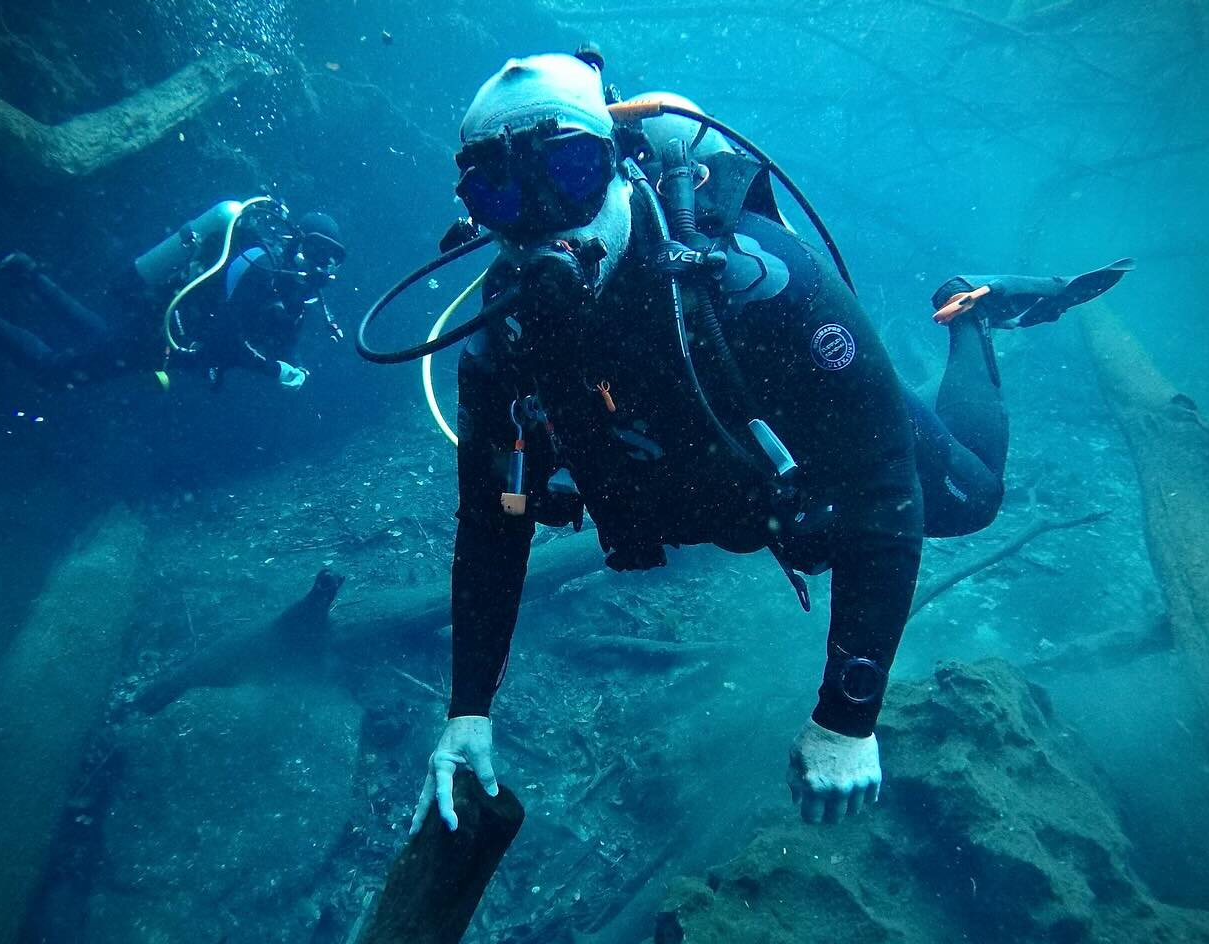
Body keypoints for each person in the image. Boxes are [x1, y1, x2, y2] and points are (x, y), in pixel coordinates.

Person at [388, 53, 1130, 833]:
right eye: (501, 191)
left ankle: (968, 309)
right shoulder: (505, 343)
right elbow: (493, 522)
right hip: (722, 494)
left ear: (618, 164)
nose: (543, 217)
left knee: (974, 498)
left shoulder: (758, 281)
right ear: (476, 213)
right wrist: (468, 711)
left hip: (819, 460)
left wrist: (848, 717)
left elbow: (881, 480)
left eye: (569, 172)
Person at [0, 200, 345, 391]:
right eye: (317, 252)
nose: (322, 267)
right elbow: (227, 342)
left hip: (158, 342)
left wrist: (295, 368)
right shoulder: (258, 263)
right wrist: (277, 374)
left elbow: (286, 347)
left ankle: (28, 274)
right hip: (160, 334)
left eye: (333, 259)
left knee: (99, 334)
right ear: (296, 242)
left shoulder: (297, 295)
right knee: (51, 373)